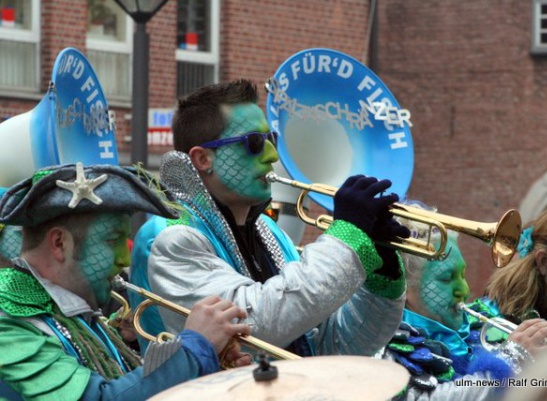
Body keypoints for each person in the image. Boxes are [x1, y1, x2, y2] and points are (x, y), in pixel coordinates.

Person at [130, 78, 411, 357]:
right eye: (253, 143)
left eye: (271, 140)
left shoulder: (270, 231)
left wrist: (381, 270)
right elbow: (252, 326)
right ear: (203, 159)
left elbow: (332, 346)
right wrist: (347, 236)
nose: (272, 155)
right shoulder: (170, 236)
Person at [0, 163, 251, 400]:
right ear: (59, 243)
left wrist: (207, 366)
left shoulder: (71, 313)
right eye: (112, 240)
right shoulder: (7, 318)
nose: (125, 258)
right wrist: (194, 349)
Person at [382, 214, 547, 401]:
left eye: (463, 275)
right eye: (446, 278)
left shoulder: (473, 333)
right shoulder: (383, 347)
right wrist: (512, 358)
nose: (464, 290)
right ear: (403, 287)